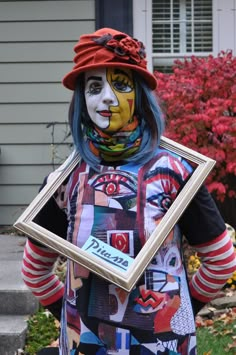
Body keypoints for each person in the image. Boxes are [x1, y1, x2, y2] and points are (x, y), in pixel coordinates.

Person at [22, 28, 236, 355]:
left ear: (139, 95)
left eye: (120, 85)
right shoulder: (64, 182)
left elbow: (220, 260)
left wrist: (180, 312)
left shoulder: (175, 173)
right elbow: (35, 273)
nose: (107, 98)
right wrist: (72, 315)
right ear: (82, 99)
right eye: (95, 87)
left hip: (164, 347)